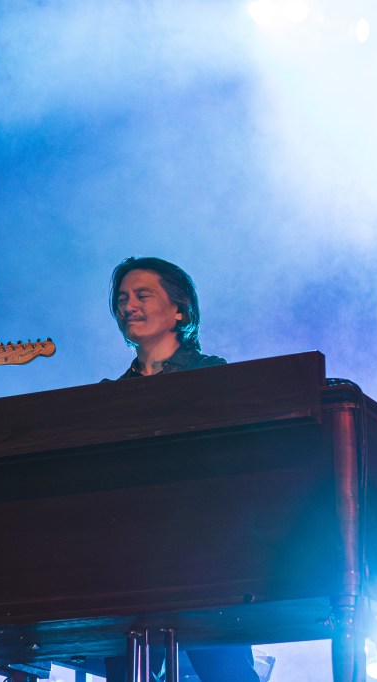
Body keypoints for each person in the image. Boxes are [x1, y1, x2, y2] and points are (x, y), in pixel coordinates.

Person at [103, 256, 259, 682]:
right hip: (131, 565)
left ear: (179, 310)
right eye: (121, 299)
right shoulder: (108, 398)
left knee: (228, 673)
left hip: (207, 561)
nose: (127, 306)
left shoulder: (213, 376)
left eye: (142, 295)